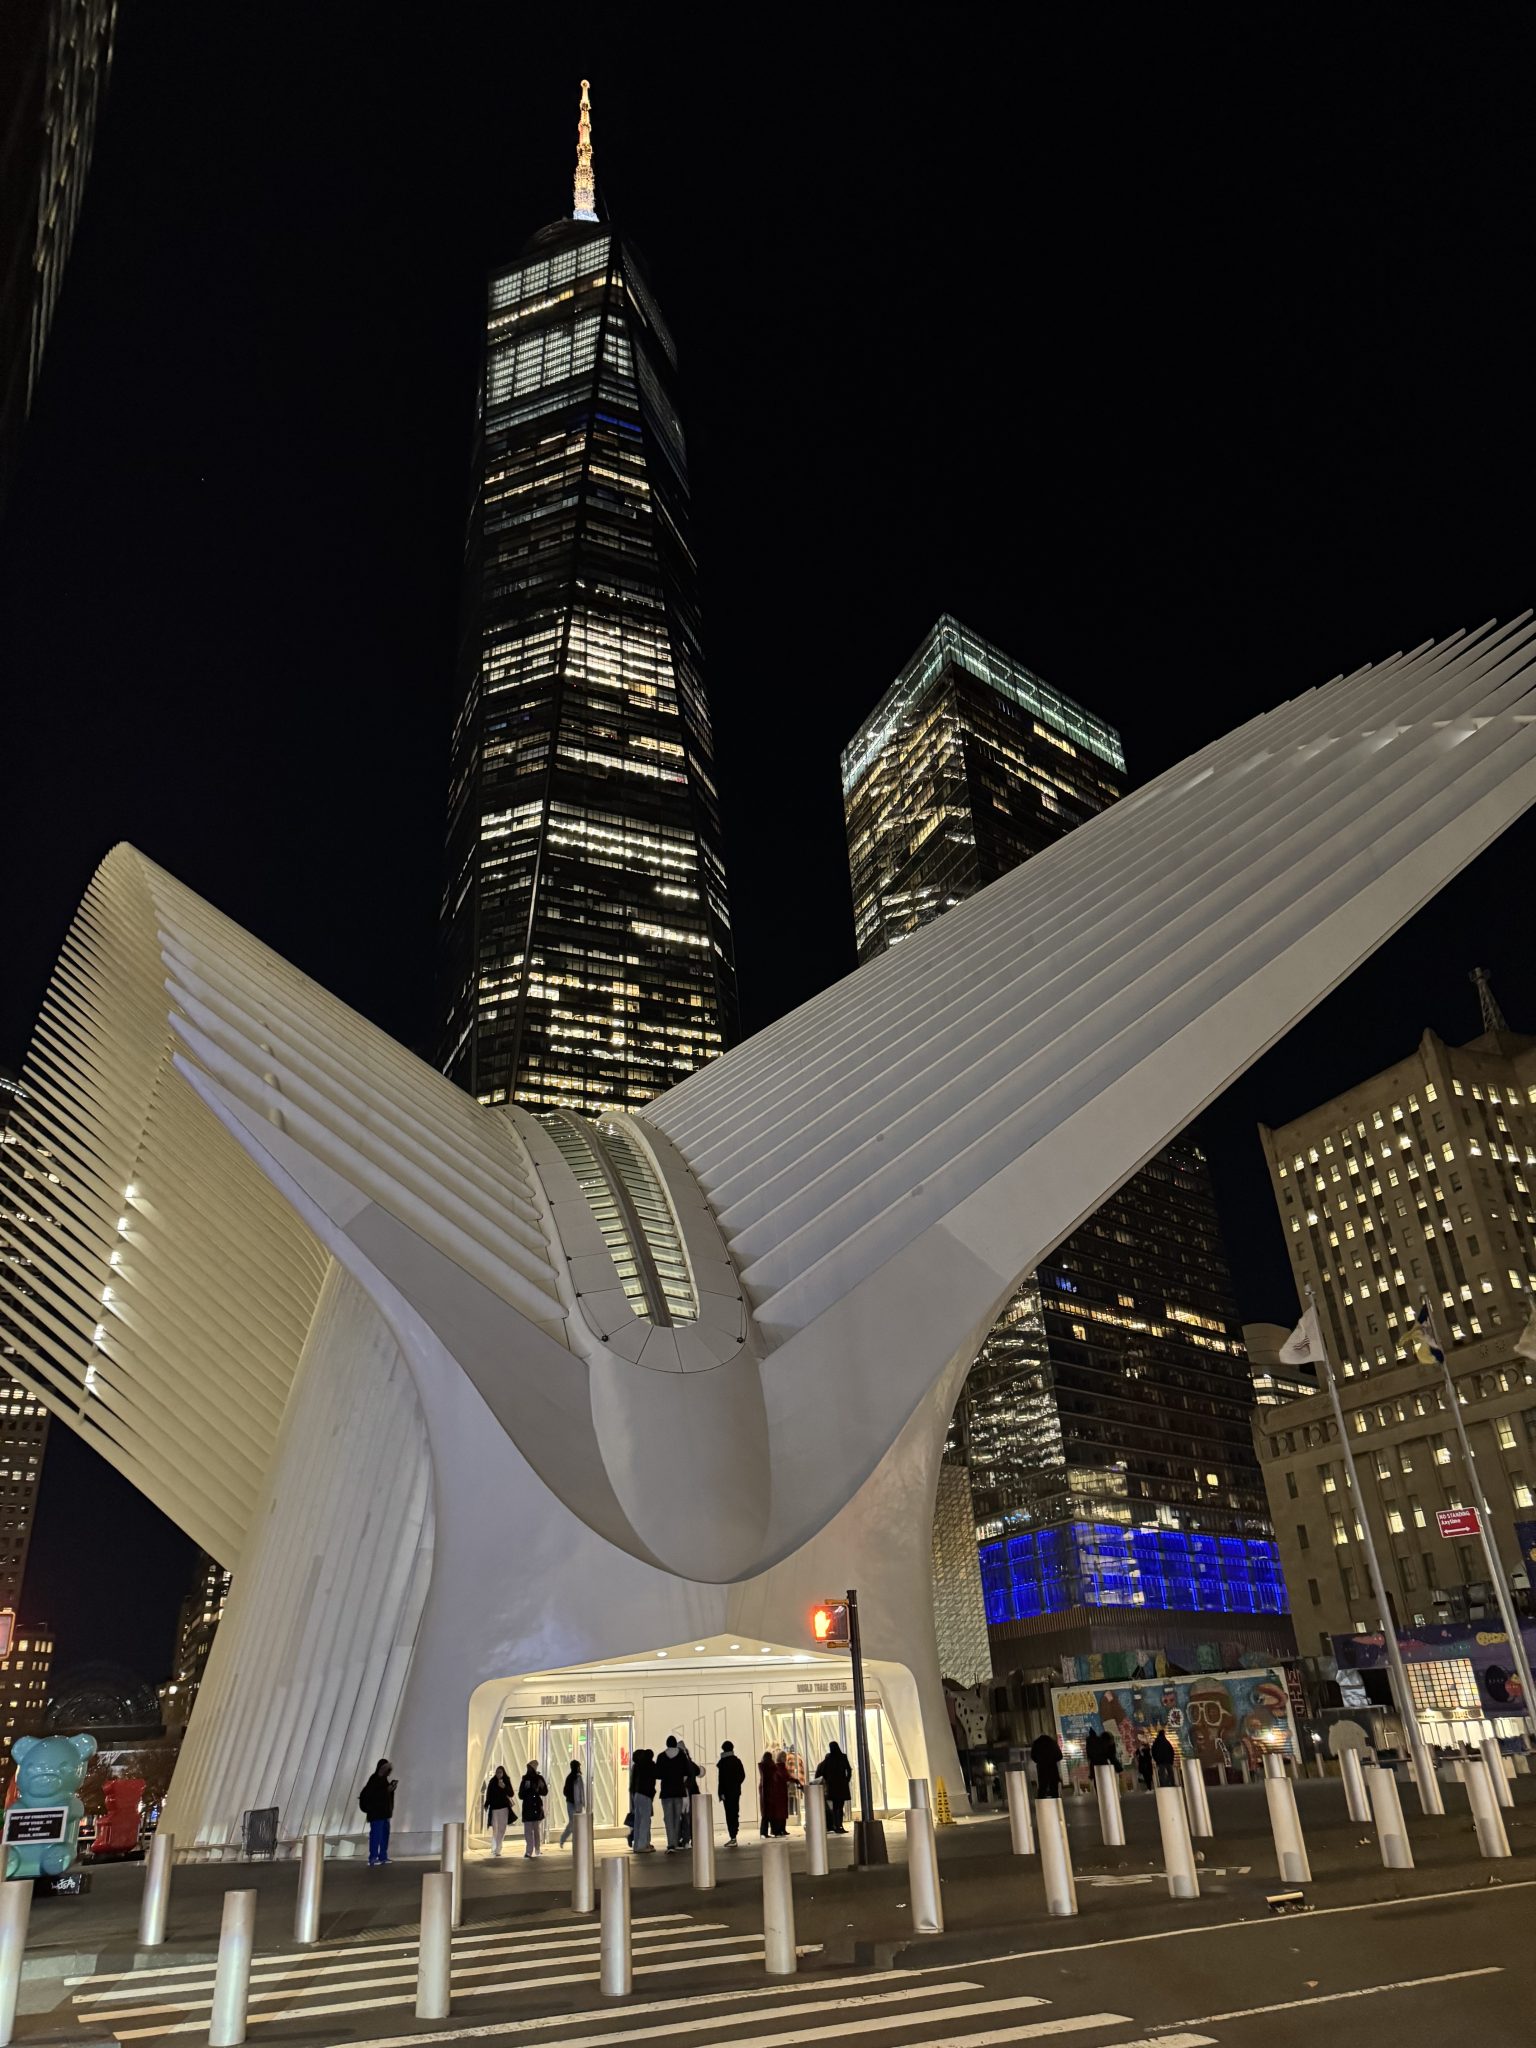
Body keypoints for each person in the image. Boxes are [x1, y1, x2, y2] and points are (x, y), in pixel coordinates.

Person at [656, 1735, 695, 1853]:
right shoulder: (682, 1756)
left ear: (667, 1744)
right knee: (677, 1818)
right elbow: (687, 1773)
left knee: (668, 1818)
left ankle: (671, 1844)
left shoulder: (661, 1756)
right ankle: (676, 1842)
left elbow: (658, 1774)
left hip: (666, 1792)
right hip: (679, 1791)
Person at [359, 1759, 397, 1865]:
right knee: (376, 1835)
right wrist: (387, 1790)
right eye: (386, 1769)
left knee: (384, 1836)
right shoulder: (374, 1779)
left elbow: (384, 1795)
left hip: (384, 1814)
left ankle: (383, 1856)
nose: (388, 1771)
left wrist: (391, 1790)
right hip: (376, 1814)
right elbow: (374, 1795)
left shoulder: (384, 1780)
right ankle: (373, 1858)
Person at [814, 1741, 853, 1833]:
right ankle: (840, 1825)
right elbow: (849, 1769)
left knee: (835, 1807)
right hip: (842, 1785)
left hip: (833, 1786)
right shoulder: (843, 1757)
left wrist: (827, 1781)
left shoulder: (829, 1759)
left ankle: (836, 1825)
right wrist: (846, 1779)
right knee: (840, 1806)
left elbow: (822, 1772)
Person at [629, 1747, 658, 1853]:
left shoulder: (636, 1766)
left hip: (637, 1794)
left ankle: (637, 1845)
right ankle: (642, 1845)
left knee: (638, 1821)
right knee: (645, 1821)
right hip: (646, 1795)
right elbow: (657, 1775)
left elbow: (632, 1783)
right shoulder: (650, 1765)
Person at [716, 1741, 745, 1846]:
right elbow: (742, 1775)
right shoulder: (737, 1761)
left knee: (729, 1813)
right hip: (735, 1791)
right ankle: (734, 1834)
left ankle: (732, 1836)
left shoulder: (722, 1762)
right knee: (735, 1812)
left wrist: (721, 1792)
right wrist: (736, 1784)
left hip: (726, 1793)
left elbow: (721, 1780)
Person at [518, 1759, 548, 1858]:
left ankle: (536, 1849)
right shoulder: (526, 1779)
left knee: (535, 1830)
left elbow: (544, 1792)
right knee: (530, 1831)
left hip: (535, 1806)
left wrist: (541, 1787)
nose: (535, 1767)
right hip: (529, 1806)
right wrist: (529, 1789)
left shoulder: (539, 1778)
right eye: (533, 1765)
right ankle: (530, 1850)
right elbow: (521, 1795)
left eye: (536, 1765)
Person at [483, 1765, 514, 1858]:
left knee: (502, 1828)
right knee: (495, 1829)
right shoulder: (492, 1782)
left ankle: (498, 1848)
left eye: (500, 1772)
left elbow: (511, 1793)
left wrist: (504, 1786)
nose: (498, 1774)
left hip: (504, 1808)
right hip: (494, 1808)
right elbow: (489, 1794)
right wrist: (486, 1804)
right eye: (497, 1772)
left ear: (503, 1773)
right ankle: (494, 1847)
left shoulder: (506, 1781)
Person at [759, 1749, 789, 1837]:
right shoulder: (772, 1767)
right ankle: (775, 1831)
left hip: (765, 1792)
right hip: (772, 1792)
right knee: (772, 1813)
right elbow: (778, 1778)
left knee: (766, 1814)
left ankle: (764, 1832)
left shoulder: (763, 1767)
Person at [1029, 1730, 1063, 1799]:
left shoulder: (1036, 1743)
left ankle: (1041, 1803)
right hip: (1052, 1768)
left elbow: (1033, 1756)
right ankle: (1055, 1802)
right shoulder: (1052, 1742)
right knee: (1054, 1788)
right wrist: (1053, 1760)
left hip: (1042, 1768)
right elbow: (1060, 1756)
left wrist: (1039, 1761)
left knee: (1042, 1788)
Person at [560, 1758, 585, 1848]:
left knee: (575, 1823)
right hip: (572, 1803)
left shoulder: (576, 1778)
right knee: (573, 1823)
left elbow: (581, 1791)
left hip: (574, 1803)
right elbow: (580, 1791)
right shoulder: (572, 1778)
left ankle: (575, 1841)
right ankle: (565, 1839)